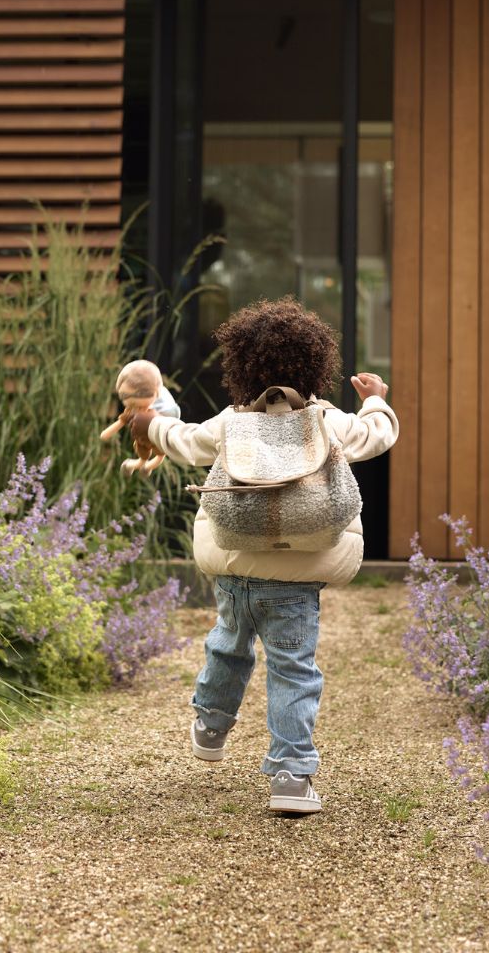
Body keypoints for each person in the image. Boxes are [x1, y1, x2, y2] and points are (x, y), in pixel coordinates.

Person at [130, 297, 398, 814]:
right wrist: (376, 400)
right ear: (317, 366)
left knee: (228, 646)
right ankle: (291, 779)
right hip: (298, 579)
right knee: (294, 669)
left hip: (238, 567)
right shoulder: (326, 420)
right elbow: (378, 436)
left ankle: (210, 723)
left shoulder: (231, 423)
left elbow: (182, 440)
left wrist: (149, 422)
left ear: (240, 368)